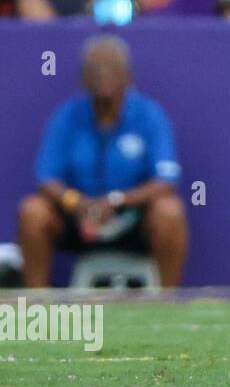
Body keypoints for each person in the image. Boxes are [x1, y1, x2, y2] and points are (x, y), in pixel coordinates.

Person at [18, 34, 188, 288]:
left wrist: (116, 201)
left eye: (112, 67)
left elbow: (166, 180)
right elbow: (46, 177)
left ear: (129, 75)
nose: (102, 74)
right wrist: (78, 203)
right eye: (94, 68)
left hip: (132, 218)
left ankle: (169, 303)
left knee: (169, 210)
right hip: (77, 216)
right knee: (33, 210)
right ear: (82, 78)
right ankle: (35, 304)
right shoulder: (67, 116)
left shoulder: (149, 115)